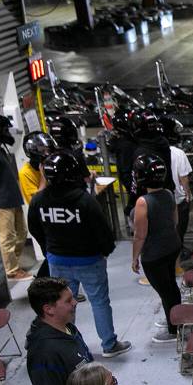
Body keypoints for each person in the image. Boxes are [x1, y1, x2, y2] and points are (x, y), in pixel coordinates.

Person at [28, 151, 132, 357]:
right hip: (89, 260)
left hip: (58, 260)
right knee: (99, 301)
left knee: (63, 305)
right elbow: (103, 230)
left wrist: (49, 249)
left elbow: (34, 228)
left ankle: (68, 347)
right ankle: (109, 345)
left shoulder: (39, 201)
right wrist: (105, 250)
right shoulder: (84, 200)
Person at [130, 153, 181, 344]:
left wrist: (134, 257)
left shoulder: (143, 202)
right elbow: (175, 221)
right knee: (171, 286)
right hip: (172, 246)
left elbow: (140, 235)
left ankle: (173, 329)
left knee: (165, 290)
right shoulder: (168, 194)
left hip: (154, 254)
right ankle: (175, 318)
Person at [0, 113, 31, 281]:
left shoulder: (0, 152)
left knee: (21, 234)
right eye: (4, 129)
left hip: (12, 202)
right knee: (7, 239)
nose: (7, 133)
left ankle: (11, 265)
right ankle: (11, 270)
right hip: (2, 205)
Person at [19, 131, 59, 281]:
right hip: (40, 221)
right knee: (52, 255)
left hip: (53, 215)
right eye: (43, 151)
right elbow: (36, 200)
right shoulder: (26, 173)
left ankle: (55, 286)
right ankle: (43, 284)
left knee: (57, 254)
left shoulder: (50, 165)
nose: (47, 154)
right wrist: (43, 177)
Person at [163, 117, 193, 256]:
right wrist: (188, 193)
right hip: (178, 198)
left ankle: (172, 252)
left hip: (161, 199)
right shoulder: (178, 153)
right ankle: (178, 252)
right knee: (179, 228)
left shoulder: (154, 151)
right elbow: (183, 177)